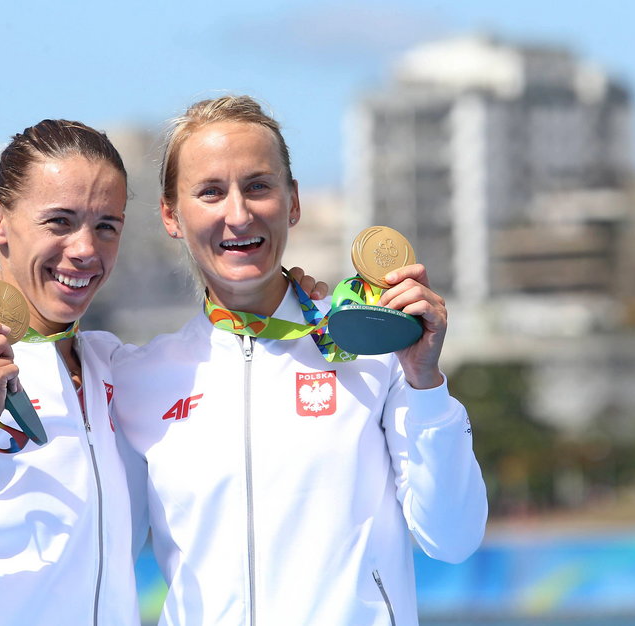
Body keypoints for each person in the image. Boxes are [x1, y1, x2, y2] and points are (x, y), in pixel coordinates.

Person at [0, 118, 327, 626]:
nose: (85, 249)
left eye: (106, 225)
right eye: (60, 222)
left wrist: (301, 307)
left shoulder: (120, 370)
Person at [110, 96, 488, 626]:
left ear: (293, 202)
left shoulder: (378, 352)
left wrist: (425, 384)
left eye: (258, 186)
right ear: (171, 215)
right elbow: (93, 555)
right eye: (211, 192)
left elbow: (453, 538)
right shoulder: (136, 380)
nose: (238, 214)